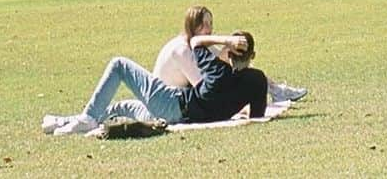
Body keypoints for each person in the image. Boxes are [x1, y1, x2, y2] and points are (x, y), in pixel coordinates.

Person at [49, 30, 267, 135]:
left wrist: (225, 40)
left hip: (171, 103)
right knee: (124, 106)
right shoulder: (258, 81)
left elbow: (195, 41)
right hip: (178, 116)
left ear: (228, 53)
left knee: (119, 65)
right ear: (252, 56)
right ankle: (65, 122)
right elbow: (257, 117)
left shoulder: (217, 70)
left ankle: (86, 118)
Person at [153, 5, 307, 105]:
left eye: (211, 23)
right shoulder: (181, 50)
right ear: (193, 26)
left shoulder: (198, 45)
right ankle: (275, 90)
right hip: (169, 102)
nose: (209, 29)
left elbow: (227, 67)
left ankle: (276, 89)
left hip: (184, 95)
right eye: (204, 24)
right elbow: (205, 89)